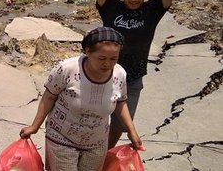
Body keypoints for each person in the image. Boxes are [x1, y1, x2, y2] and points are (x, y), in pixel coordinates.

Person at [93, 0, 183, 149]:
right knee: (94, 120)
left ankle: (104, 155)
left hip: (133, 79)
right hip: (104, 73)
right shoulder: (111, 7)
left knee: (120, 125)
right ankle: (92, 154)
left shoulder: (152, 10)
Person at [19, 27, 144, 171]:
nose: (108, 64)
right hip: (61, 138)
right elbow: (49, 97)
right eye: (102, 58)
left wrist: (131, 131)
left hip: (97, 142)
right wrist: (35, 126)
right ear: (87, 52)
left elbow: (120, 102)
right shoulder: (67, 69)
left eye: (113, 59)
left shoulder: (119, 74)